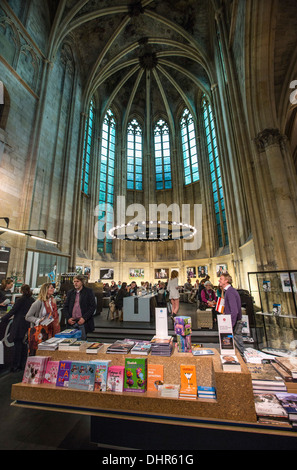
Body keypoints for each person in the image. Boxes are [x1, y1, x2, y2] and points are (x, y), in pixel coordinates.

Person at [1, 284, 34, 371]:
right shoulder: (32, 300)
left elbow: (13, 311)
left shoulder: (20, 300)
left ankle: (15, 365)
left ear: (21, 291)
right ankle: (22, 364)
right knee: (24, 345)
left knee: (17, 345)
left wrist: (3, 318)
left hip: (19, 324)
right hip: (27, 324)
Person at [25, 283, 61, 354]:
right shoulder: (38, 302)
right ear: (46, 289)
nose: (53, 289)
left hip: (52, 329)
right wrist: (38, 320)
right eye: (51, 288)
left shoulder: (53, 301)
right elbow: (28, 316)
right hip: (41, 331)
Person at [63, 275, 96, 339]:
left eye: (77, 281)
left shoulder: (88, 292)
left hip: (83, 322)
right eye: (74, 281)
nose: (75, 283)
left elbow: (92, 307)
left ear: (82, 282)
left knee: (82, 342)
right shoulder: (70, 292)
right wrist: (68, 318)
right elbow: (65, 307)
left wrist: (84, 318)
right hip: (72, 322)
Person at [218, 273, 244, 356]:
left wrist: (230, 325)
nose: (219, 280)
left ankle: (241, 361)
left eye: (221, 279)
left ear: (226, 281)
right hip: (233, 321)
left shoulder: (230, 292)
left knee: (238, 346)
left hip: (234, 322)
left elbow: (234, 310)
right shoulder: (228, 291)